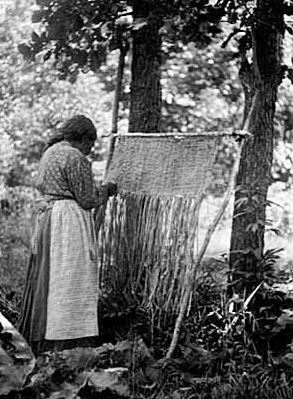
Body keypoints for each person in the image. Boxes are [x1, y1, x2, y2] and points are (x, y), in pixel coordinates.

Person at [18, 115, 117, 355]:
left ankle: (45, 337)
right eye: (90, 144)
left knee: (52, 276)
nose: (90, 149)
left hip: (50, 218)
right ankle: (68, 341)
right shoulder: (74, 156)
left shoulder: (51, 151)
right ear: (83, 138)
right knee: (70, 278)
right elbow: (87, 199)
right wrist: (107, 190)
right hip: (67, 222)